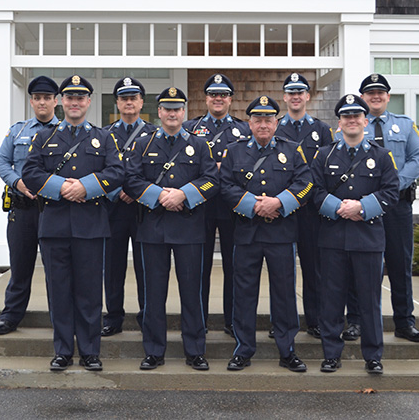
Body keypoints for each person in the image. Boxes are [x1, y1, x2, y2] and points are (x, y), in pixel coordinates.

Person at [21, 74, 124, 372]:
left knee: (90, 292)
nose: (75, 102)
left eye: (80, 98)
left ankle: (90, 351)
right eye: (69, 97)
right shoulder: (44, 137)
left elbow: (117, 172)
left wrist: (86, 187)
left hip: (91, 226)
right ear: (61, 101)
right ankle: (63, 350)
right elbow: (30, 172)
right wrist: (62, 188)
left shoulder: (104, 137)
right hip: (54, 227)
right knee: (59, 291)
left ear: (88, 102)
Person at [124, 87, 219, 371]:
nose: (173, 113)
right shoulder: (143, 143)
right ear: (159, 112)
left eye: (178, 108)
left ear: (184, 112)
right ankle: (154, 350)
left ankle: (195, 350)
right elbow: (130, 179)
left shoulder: (199, 145)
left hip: (189, 228)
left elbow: (212, 179)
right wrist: (160, 196)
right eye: (167, 108)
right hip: (152, 229)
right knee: (153, 293)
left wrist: (183, 195)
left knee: (192, 292)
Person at [220, 96, 314, 372]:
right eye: (258, 119)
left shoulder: (293, 150)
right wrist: (256, 206)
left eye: (268, 119)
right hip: (247, 233)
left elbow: (306, 184)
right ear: (249, 123)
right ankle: (243, 349)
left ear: (277, 122)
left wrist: (279, 203)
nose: (263, 125)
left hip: (281, 234)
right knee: (244, 294)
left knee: (284, 295)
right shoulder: (233, 152)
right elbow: (224, 186)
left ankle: (287, 351)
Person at [312, 94, 399, 375]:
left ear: (365, 120)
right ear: (339, 123)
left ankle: (373, 355)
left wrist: (361, 207)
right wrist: (339, 208)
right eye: (346, 116)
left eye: (357, 116)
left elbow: (391, 192)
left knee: (369, 301)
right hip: (333, 239)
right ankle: (331, 354)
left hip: (368, 239)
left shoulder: (381, 155)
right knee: (332, 299)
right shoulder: (324, 156)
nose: (352, 120)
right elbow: (314, 191)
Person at [342, 74, 419, 343]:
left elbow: (418, 159)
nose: (375, 97)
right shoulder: (351, 124)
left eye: (380, 92)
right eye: (370, 93)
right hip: (362, 209)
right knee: (357, 265)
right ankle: (355, 321)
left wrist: (392, 186)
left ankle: (404, 322)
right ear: (363, 97)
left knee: (399, 264)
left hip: (397, 206)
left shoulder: (405, 126)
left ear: (388, 97)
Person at [0, 75, 59, 336]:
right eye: (37, 98)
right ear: (31, 101)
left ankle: (59, 319)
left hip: (51, 210)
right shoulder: (17, 131)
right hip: (21, 210)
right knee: (20, 267)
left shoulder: (63, 133)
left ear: (56, 101)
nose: (42, 102)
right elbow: (1, 162)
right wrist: (17, 182)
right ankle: (11, 316)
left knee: (56, 270)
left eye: (47, 98)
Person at [183, 73, 250, 335]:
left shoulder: (244, 129)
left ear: (230, 99)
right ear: (206, 98)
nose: (218, 99)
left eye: (223, 95)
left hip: (233, 208)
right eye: (213, 94)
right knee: (199, 267)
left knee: (236, 267)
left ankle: (232, 321)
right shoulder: (191, 127)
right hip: (200, 208)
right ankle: (199, 320)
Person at [274, 73, 333, 340]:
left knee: (314, 268)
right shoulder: (274, 127)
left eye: (301, 92)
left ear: (307, 96)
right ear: (285, 97)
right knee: (282, 272)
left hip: (311, 210)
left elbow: (327, 169)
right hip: (284, 209)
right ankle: (282, 322)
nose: (296, 96)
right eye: (291, 92)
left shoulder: (321, 130)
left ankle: (315, 320)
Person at [101, 77, 157, 337]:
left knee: (146, 266)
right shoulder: (105, 134)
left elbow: (158, 173)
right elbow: (99, 170)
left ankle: (148, 315)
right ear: (117, 103)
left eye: (133, 98)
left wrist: (136, 193)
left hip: (142, 209)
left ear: (141, 102)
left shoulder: (154, 134)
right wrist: (116, 190)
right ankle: (113, 317)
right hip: (113, 209)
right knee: (113, 266)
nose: (129, 102)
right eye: (124, 98)